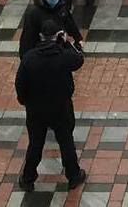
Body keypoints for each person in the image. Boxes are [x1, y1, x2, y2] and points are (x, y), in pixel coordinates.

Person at [15, 18, 87, 191]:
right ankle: (73, 175)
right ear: (58, 36)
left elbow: (20, 84)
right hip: (60, 107)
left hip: (36, 109)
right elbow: (79, 59)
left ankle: (28, 178)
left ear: (41, 36)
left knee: (35, 143)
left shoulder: (29, 58)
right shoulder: (63, 56)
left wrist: (25, 101)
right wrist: (66, 43)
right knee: (66, 141)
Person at [19, 0, 83, 54]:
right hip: (41, 50)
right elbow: (27, 38)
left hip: (58, 47)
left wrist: (78, 38)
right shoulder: (34, 13)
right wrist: (25, 56)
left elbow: (69, 23)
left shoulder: (62, 8)